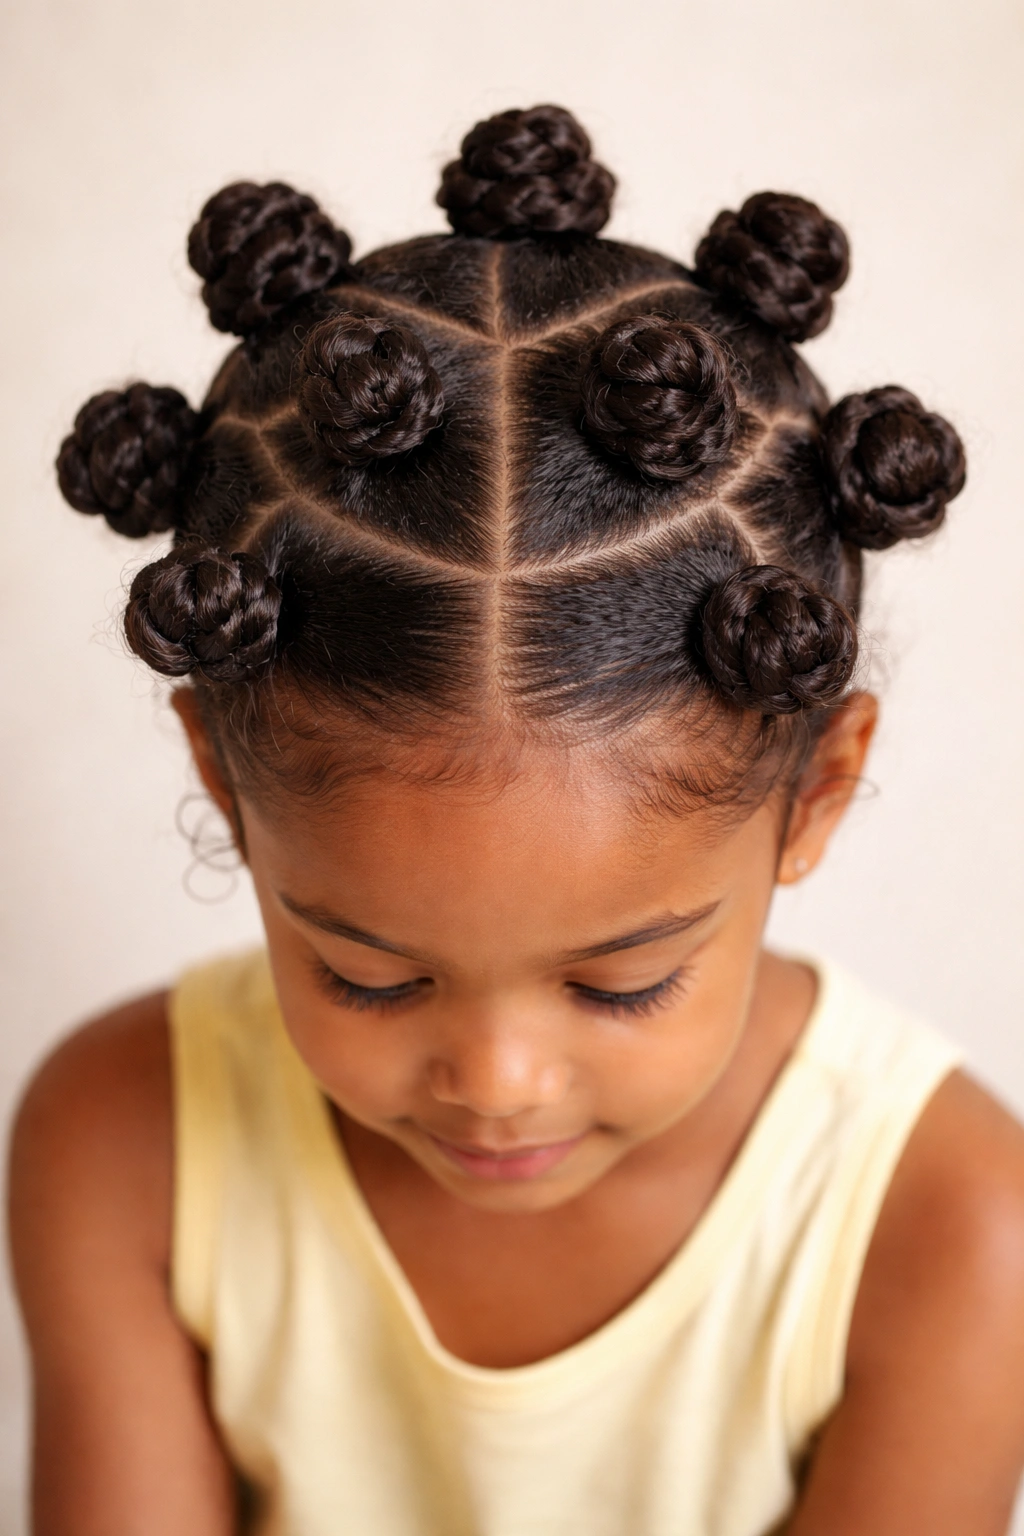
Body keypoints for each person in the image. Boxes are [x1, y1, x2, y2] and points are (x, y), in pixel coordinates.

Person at [10, 104, 1024, 1536]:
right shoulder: (124, 1147)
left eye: (623, 981)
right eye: (370, 974)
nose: (494, 1080)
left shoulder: (943, 1226)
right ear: (224, 785)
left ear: (819, 790)